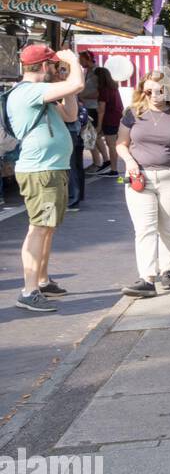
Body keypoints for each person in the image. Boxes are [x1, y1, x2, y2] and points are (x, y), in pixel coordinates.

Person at [6, 45, 83, 312]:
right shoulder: (30, 91)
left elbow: (71, 115)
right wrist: (72, 61)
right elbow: (79, 82)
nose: (56, 68)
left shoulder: (40, 94)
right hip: (41, 170)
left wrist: (66, 83)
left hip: (50, 168)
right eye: (53, 65)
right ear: (43, 67)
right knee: (38, 228)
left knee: (46, 226)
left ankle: (41, 279)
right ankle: (29, 290)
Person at [117, 70, 170, 297]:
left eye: (161, 90)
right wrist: (129, 161)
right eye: (150, 90)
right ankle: (147, 278)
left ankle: (166, 270)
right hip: (140, 178)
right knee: (145, 228)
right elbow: (121, 143)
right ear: (143, 90)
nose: (155, 95)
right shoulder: (132, 113)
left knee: (169, 224)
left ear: (169, 90)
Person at [55, 61, 86, 212]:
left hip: (69, 128)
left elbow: (68, 114)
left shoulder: (66, 87)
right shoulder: (71, 85)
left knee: (71, 165)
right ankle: (77, 196)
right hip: (74, 129)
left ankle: (73, 199)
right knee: (75, 164)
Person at [77, 50, 110, 172]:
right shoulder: (87, 72)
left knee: (93, 136)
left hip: (93, 108)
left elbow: (99, 92)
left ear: (87, 59)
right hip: (87, 107)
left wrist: (83, 96)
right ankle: (97, 161)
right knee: (89, 136)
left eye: (81, 59)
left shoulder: (97, 72)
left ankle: (105, 161)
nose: (79, 62)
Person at [94, 66, 124, 177]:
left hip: (109, 119)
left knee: (111, 145)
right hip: (117, 117)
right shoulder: (113, 87)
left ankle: (113, 169)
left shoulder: (104, 90)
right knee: (113, 144)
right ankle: (111, 166)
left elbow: (101, 110)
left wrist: (99, 126)